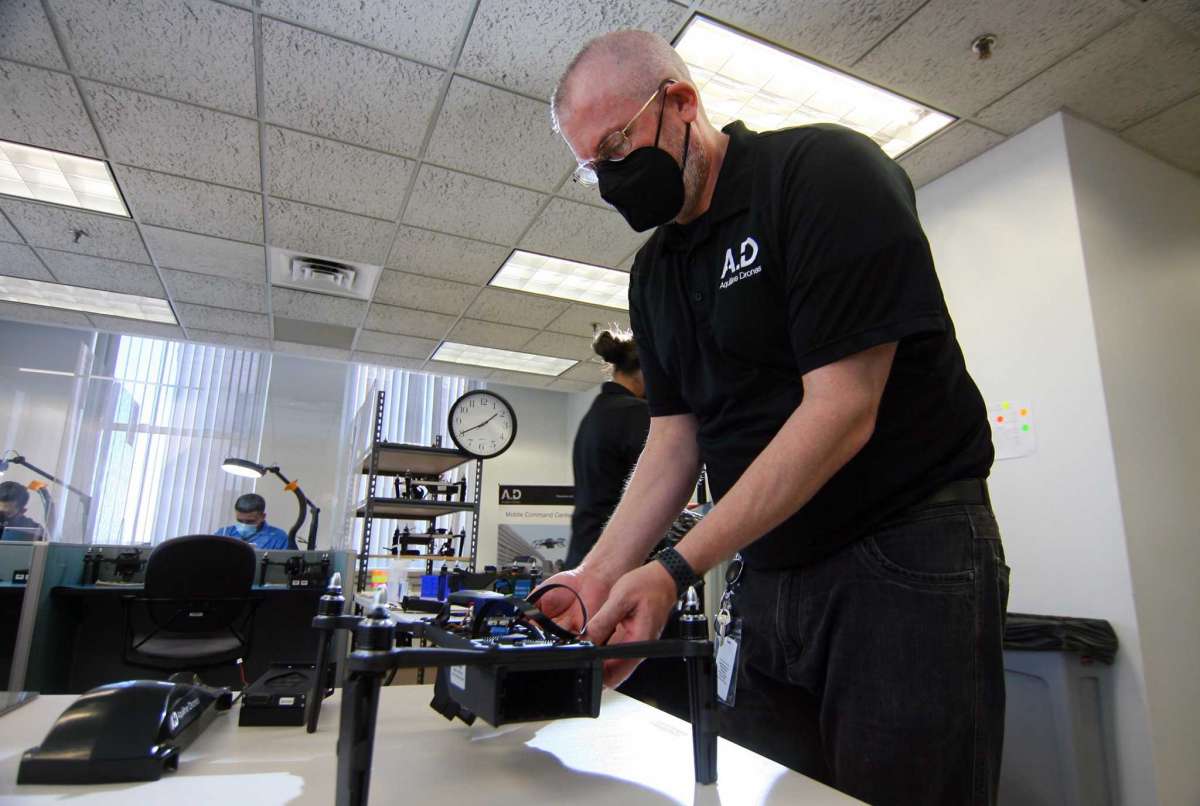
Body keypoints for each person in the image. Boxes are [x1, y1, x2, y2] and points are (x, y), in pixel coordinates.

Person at [538, 29, 1009, 806]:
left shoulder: (821, 173)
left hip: (902, 556)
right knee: (770, 790)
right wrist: (599, 576)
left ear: (681, 102)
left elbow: (843, 410)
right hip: (770, 575)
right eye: (594, 167)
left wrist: (676, 569)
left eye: (619, 144)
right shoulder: (655, 273)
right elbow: (673, 440)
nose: (613, 176)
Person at [567, 327, 649, 570]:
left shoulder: (595, 414)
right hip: (615, 562)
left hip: (585, 553)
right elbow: (658, 487)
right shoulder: (636, 413)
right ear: (642, 373)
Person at [215, 493, 292, 550]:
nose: (243, 525)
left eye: (249, 522)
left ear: (263, 517)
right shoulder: (224, 533)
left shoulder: (278, 538)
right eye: (240, 520)